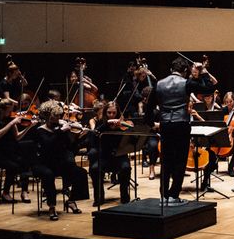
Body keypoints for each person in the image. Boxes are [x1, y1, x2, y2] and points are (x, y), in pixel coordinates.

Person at [145, 57, 214, 205]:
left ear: (171, 70)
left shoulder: (159, 83)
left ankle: (163, 196)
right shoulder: (186, 83)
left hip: (165, 125)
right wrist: (203, 71)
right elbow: (208, 89)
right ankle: (174, 195)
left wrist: (151, 124)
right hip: (181, 124)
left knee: (166, 160)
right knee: (180, 161)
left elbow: (148, 107)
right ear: (184, 71)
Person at [34, 101, 90, 220]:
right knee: (48, 175)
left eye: (60, 115)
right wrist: (61, 131)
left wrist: (78, 137)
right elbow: (48, 146)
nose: (59, 118)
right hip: (44, 163)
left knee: (81, 173)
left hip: (60, 163)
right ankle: (52, 206)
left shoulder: (61, 129)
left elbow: (72, 149)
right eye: (55, 116)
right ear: (47, 116)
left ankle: (71, 200)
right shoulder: (40, 130)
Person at [88, 100, 133, 206]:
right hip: (105, 157)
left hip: (120, 156)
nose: (112, 115)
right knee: (94, 169)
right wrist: (106, 125)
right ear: (105, 113)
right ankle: (99, 197)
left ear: (118, 113)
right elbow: (93, 140)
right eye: (109, 113)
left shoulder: (122, 124)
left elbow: (129, 139)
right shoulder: (100, 123)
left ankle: (125, 196)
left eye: (114, 113)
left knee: (126, 168)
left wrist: (122, 129)